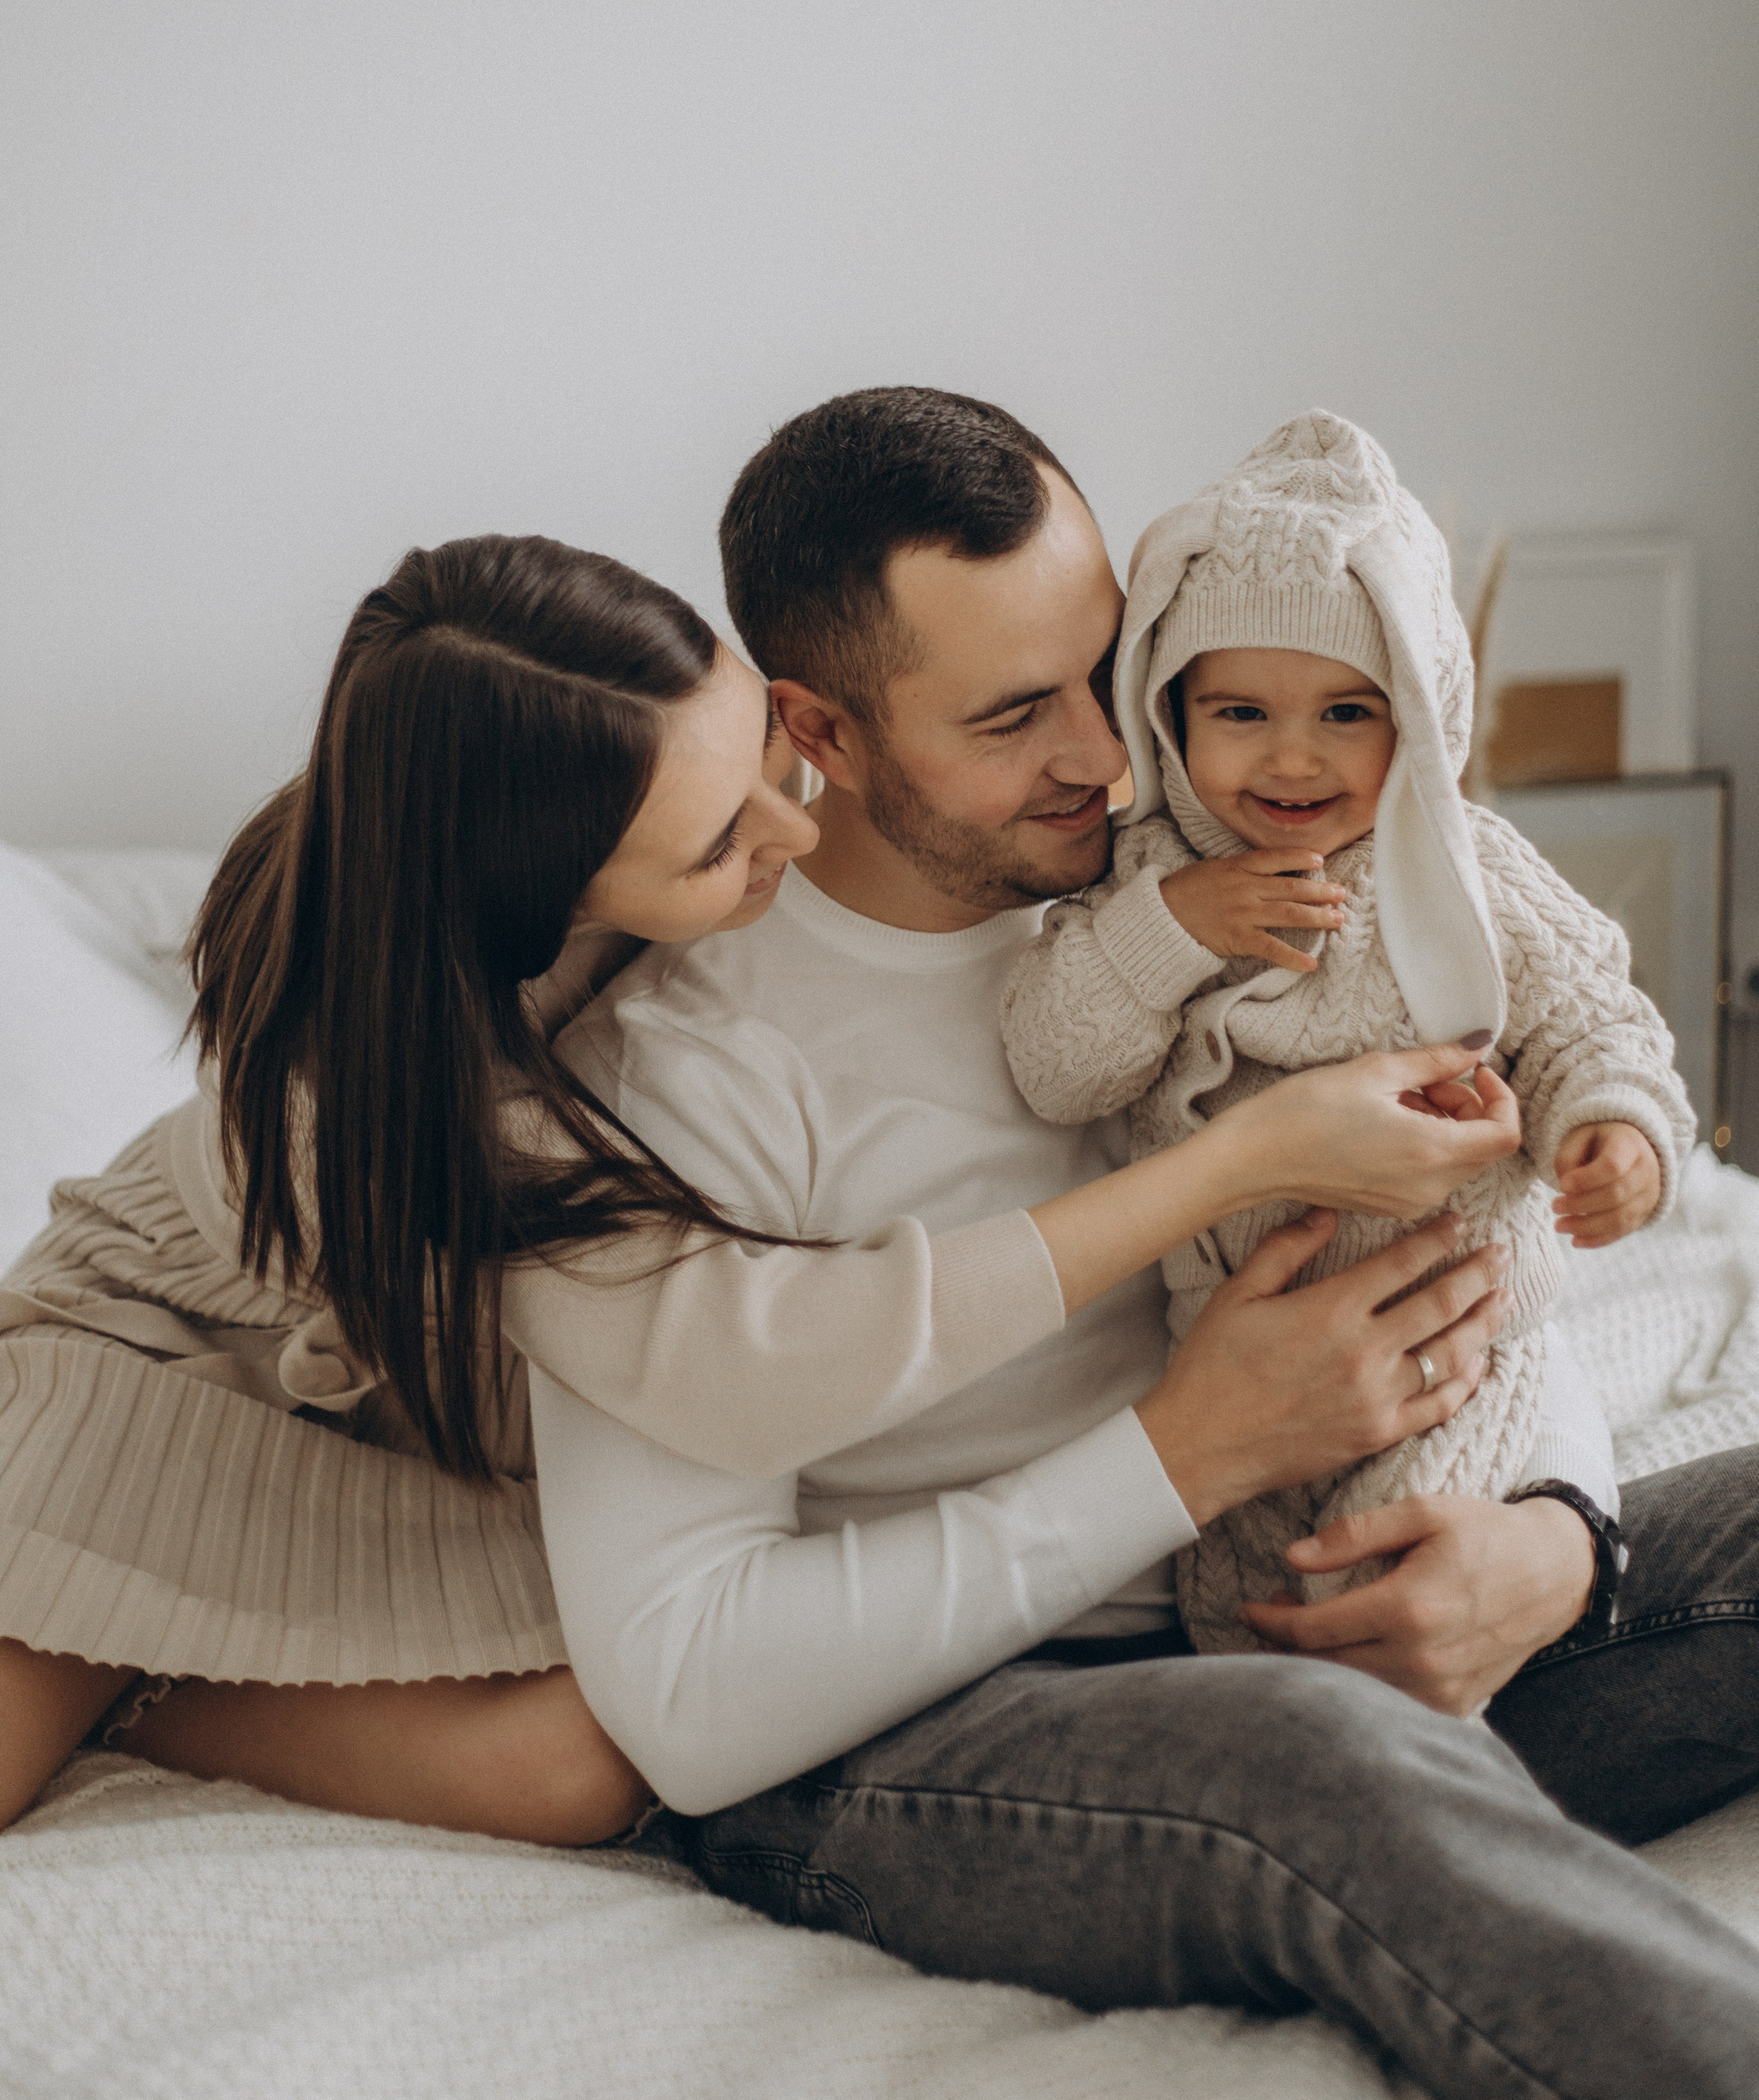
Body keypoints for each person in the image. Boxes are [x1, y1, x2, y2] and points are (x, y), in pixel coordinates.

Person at [533, 386, 1759, 2100]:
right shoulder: (682, 1074)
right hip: (921, 1735)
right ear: (821, 730)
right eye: (1012, 716)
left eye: (1107, 674)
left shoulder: (1229, 881)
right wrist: (1189, 1452)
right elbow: (690, 1702)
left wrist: (1555, 1537)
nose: (1108, 757)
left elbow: (1451, 1229)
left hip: (1290, 1606)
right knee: (1312, 1752)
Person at [0, 531, 1497, 1840]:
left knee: (593, 1749)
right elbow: (759, 1364)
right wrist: (1235, 1165)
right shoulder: (462, 1106)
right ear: (545, 907)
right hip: (145, 1380)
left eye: (772, 763)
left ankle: (152, 1659)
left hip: (413, 1408)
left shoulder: (559, 779)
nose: (799, 829)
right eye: (724, 844)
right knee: (574, 1771)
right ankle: (133, 1677)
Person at [1000, 409, 1692, 1652]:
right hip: (1234, 1362)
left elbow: (1593, 1017)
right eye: (1240, 713)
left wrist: (1616, 1133)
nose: (1292, 760)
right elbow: (1058, 1068)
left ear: (1418, 715)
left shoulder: (1464, 868)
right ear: (1168, 711)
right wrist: (1173, 929)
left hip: (1460, 1336)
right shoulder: (1146, 881)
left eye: (1346, 714)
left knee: (1375, 1582)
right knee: (1245, 1623)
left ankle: (1436, 1738)